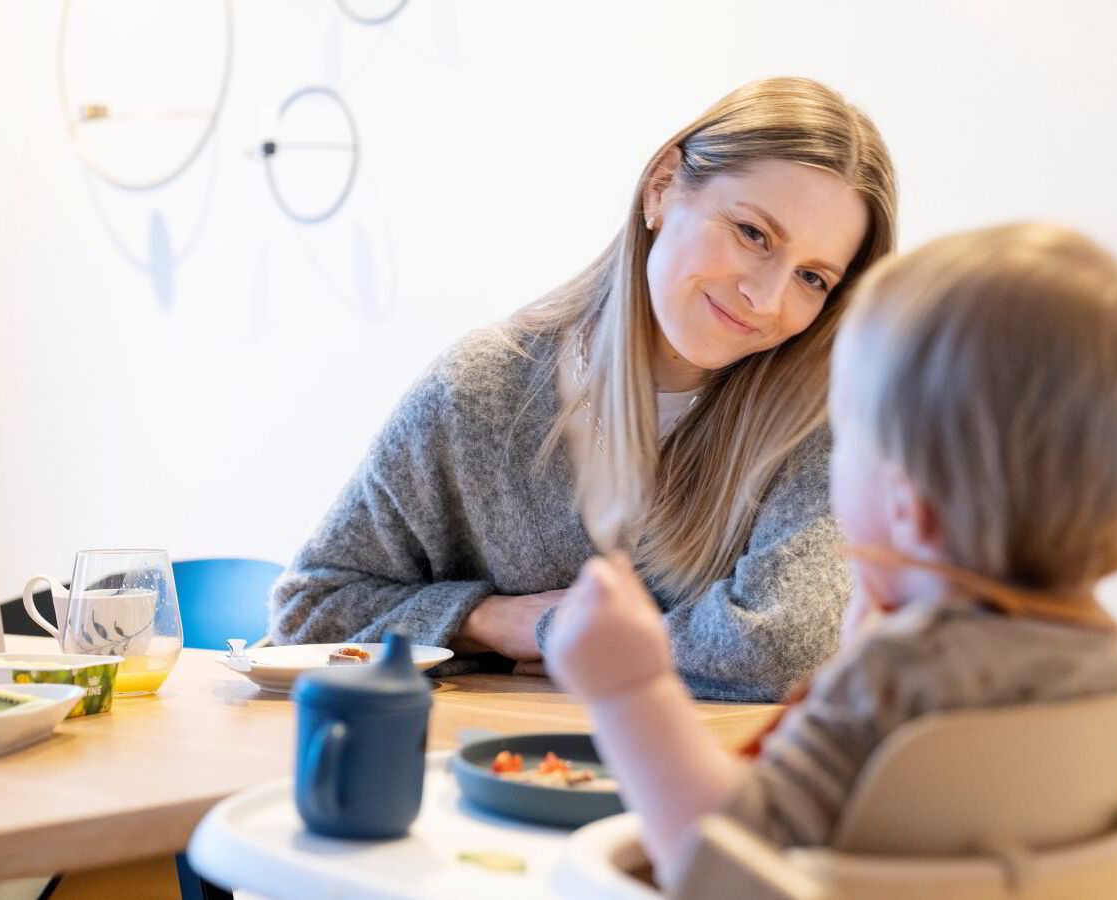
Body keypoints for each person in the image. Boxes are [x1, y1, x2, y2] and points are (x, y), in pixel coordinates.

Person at [545, 223, 1117, 879]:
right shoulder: (1096, 666)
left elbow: (726, 867)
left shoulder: (899, 678)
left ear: (908, 509)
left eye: (845, 433)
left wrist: (631, 690)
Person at [270, 77, 898, 701]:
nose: (766, 297)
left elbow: (787, 652)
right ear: (661, 189)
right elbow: (310, 614)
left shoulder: (826, 424)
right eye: (753, 233)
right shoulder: (484, 390)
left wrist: (555, 634)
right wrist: (485, 619)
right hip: (485, 777)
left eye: (812, 277)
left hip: (697, 792)